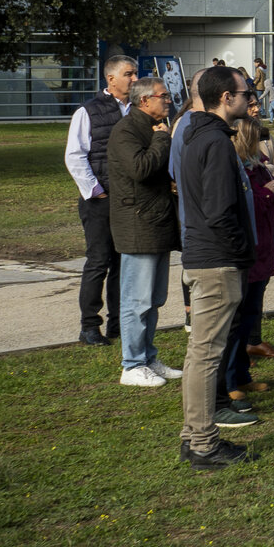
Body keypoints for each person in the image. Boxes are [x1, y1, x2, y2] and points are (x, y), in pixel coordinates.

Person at [176, 65, 258, 470]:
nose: (250, 98)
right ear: (226, 97)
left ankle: (194, 436)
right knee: (208, 355)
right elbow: (219, 210)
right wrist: (241, 249)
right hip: (216, 262)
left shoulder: (197, 135)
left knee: (200, 354)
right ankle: (204, 443)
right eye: (245, 92)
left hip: (204, 256)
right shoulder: (216, 142)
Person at [106, 76, 181, 387]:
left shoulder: (149, 127)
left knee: (154, 298)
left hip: (157, 221)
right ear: (144, 100)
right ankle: (132, 364)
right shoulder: (126, 131)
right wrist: (163, 140)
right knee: (137, 300)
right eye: (163, 96)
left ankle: (148, 357)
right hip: (139, 225)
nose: (168, 101)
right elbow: (140, 169)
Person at [64, 53, 138, 346]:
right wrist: (96, 191)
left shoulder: (138, 110)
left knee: (124, 263)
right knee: (98, 262)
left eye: (135, 74)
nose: (135, 79)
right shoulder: (88, 111)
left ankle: (119, 325)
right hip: (100, 201)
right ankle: (89, 327)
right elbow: (75, 155)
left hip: (130, 201)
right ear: (111, 78)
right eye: (129, 74)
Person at [222, 112, 274, 405]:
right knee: (235, 323)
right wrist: (266, 194)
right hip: (248, 248)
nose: (263, 144)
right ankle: (229, 380)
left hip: (263, 248)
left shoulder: (258, 166)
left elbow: (272, 203)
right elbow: (244, 203)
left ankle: (243, 377)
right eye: (257, 138)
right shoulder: (236, 169)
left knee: (250, 317)